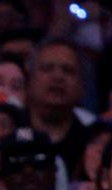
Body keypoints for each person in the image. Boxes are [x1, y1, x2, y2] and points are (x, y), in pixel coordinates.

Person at [25, 39, 90, 173]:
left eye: (68, 71)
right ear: (29, 80)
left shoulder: (91, 143)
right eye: (47, 68)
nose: (58, 77)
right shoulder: (10, 132)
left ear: (81, 86)